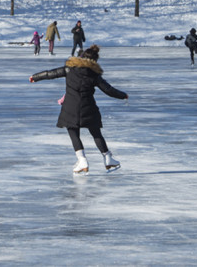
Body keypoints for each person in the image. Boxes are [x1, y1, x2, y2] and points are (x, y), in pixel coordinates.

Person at [29, 45, 128, 174]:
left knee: (73, 131)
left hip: (70, 107)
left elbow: (50, 74)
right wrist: (123, 95)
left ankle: (82, 160)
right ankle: (108, 158)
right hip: (89, 107)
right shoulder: (94, 75)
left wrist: (35, 77)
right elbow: (108, 90)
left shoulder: (69, 69)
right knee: (96, 133)